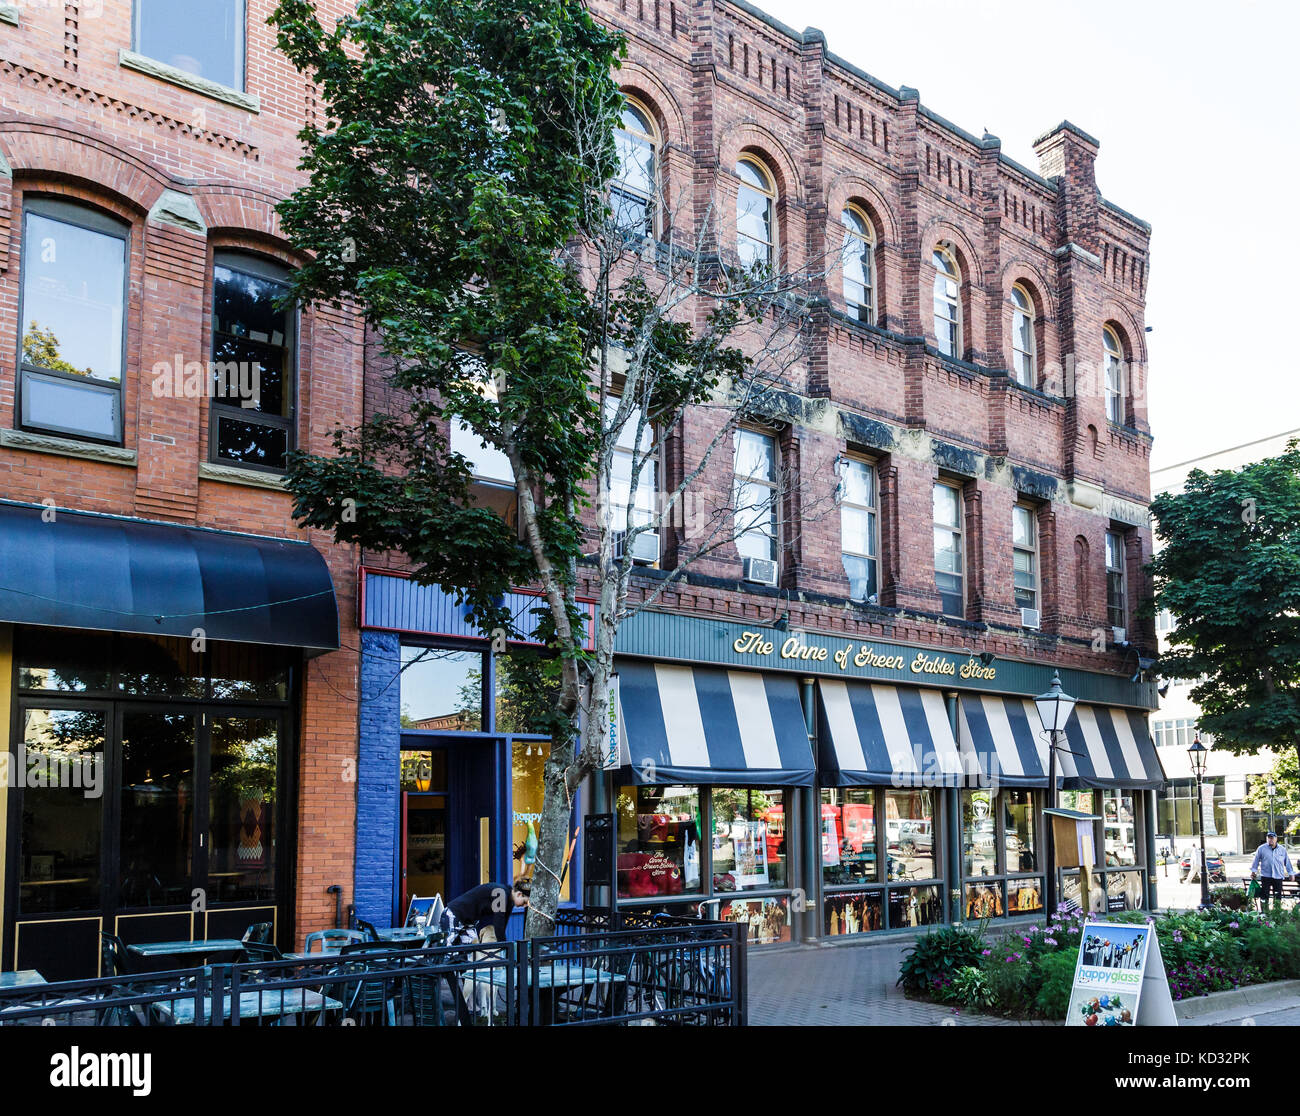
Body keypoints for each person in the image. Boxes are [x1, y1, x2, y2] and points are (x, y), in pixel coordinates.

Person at [442, 878, 530, 945]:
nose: (525, 906)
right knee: (448, 951)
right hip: (454, 914)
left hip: (469, 922)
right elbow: (498, 924)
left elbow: (503, 925)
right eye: (524, 902)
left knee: (470, 952)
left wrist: (504, 946)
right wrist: (504, 947)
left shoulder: (509, 901)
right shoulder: (501, 893)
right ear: (519, 894)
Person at [1250, 832, 1295, 905]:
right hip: (1266, 876)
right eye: (1268, 838)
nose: (1270, 840)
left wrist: (1291, 873)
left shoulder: (1282, 849)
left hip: (1278, 876)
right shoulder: (1261, 848)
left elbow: (1287, 862)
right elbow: (1256, 860)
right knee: (1264, 896)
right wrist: (1253, 872)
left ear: (1276, 839)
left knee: (1277, 896)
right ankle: (1264, 913)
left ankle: (1276, 913)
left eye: (1272, 838)